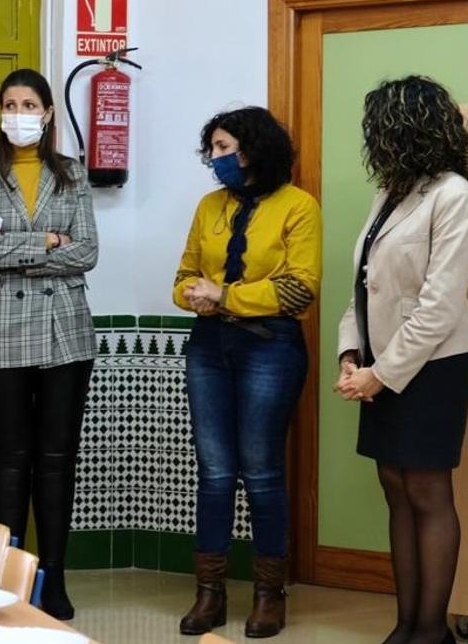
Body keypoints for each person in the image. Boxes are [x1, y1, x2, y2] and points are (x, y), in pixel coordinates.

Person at [336, 76, 468, 644]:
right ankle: (405, 626)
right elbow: (365, 284)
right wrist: (353, 353)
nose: (373, 139)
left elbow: (439, 305)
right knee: (395, 486)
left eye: (379, 128)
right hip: (380, 362)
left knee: (427, 492)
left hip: (435, 365)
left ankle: (430, 631)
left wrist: (381, 374)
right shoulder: (392, 192)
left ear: (409, 129)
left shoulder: (453, 195)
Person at [173, 107, 320, 638]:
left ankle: (268, 594)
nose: (215, 160)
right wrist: (194, 294)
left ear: (252, 149)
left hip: (271, 348)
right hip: (209, 344)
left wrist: (227, 294)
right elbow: (185, 273)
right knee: (213, 472)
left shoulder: (298, 206)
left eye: (222, 148)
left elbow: (300, 288)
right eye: (210, 149)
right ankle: (209, 594)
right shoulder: (208, 205)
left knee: (260, 470)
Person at [0, 68, 99, 621]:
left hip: (66, 331)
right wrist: (45, 240)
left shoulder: (72, 173)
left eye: (29, 104)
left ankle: (55, 576)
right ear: (1, 110)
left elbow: (86, 251)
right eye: (10, 103)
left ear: (46, 114)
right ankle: (7, 573)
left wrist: (12, 247)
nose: (19, 112)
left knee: (57, 460)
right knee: (9, 460)